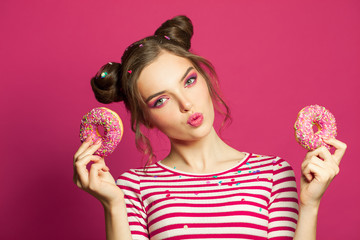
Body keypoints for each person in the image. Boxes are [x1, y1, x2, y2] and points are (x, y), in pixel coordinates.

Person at [73, 16, 347, 240]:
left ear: (203, 78)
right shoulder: (133, 187)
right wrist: (113, 205)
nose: (186, 104)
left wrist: (310, 206)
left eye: (189, 81)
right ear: (145, 118)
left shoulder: (273, 174)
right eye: (161, 100)